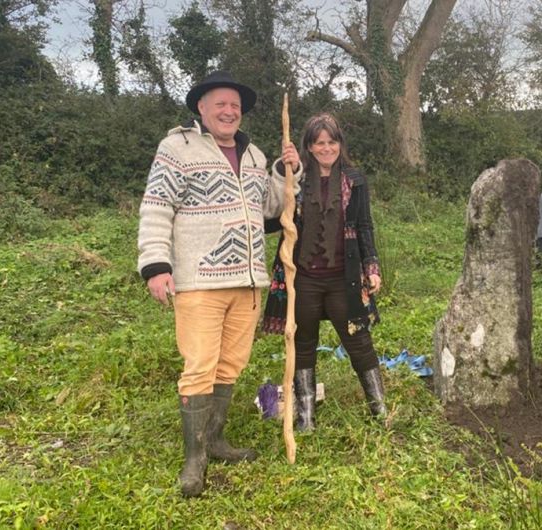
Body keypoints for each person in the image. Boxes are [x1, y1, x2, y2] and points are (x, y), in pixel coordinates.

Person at [137, 70, 301, 498]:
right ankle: (195, 460)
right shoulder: (178, 148)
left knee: (231, 365)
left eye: (235, 106)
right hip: (199, 281)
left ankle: (216, 441)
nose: (229, 112)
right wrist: (156, 265)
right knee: (200, 366)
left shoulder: (254, 155)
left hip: (247, 282)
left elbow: (271, 210)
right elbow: (157, 207)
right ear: (202, 109)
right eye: (220, 104)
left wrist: (288, 172)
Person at [262, 112, 384, 433]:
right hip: (303, 278)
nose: (327, 148)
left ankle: (381, 410)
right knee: (303, 342)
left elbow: (365, 225)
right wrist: (282, 171)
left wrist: (372, 266)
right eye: (319, 143)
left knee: (358, 340)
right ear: (309, 147)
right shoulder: (296, 179)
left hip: (344, 276)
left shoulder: (354, 179)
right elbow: (271, 221)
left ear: (340, 144)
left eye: (332, 142)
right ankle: (305, 419)